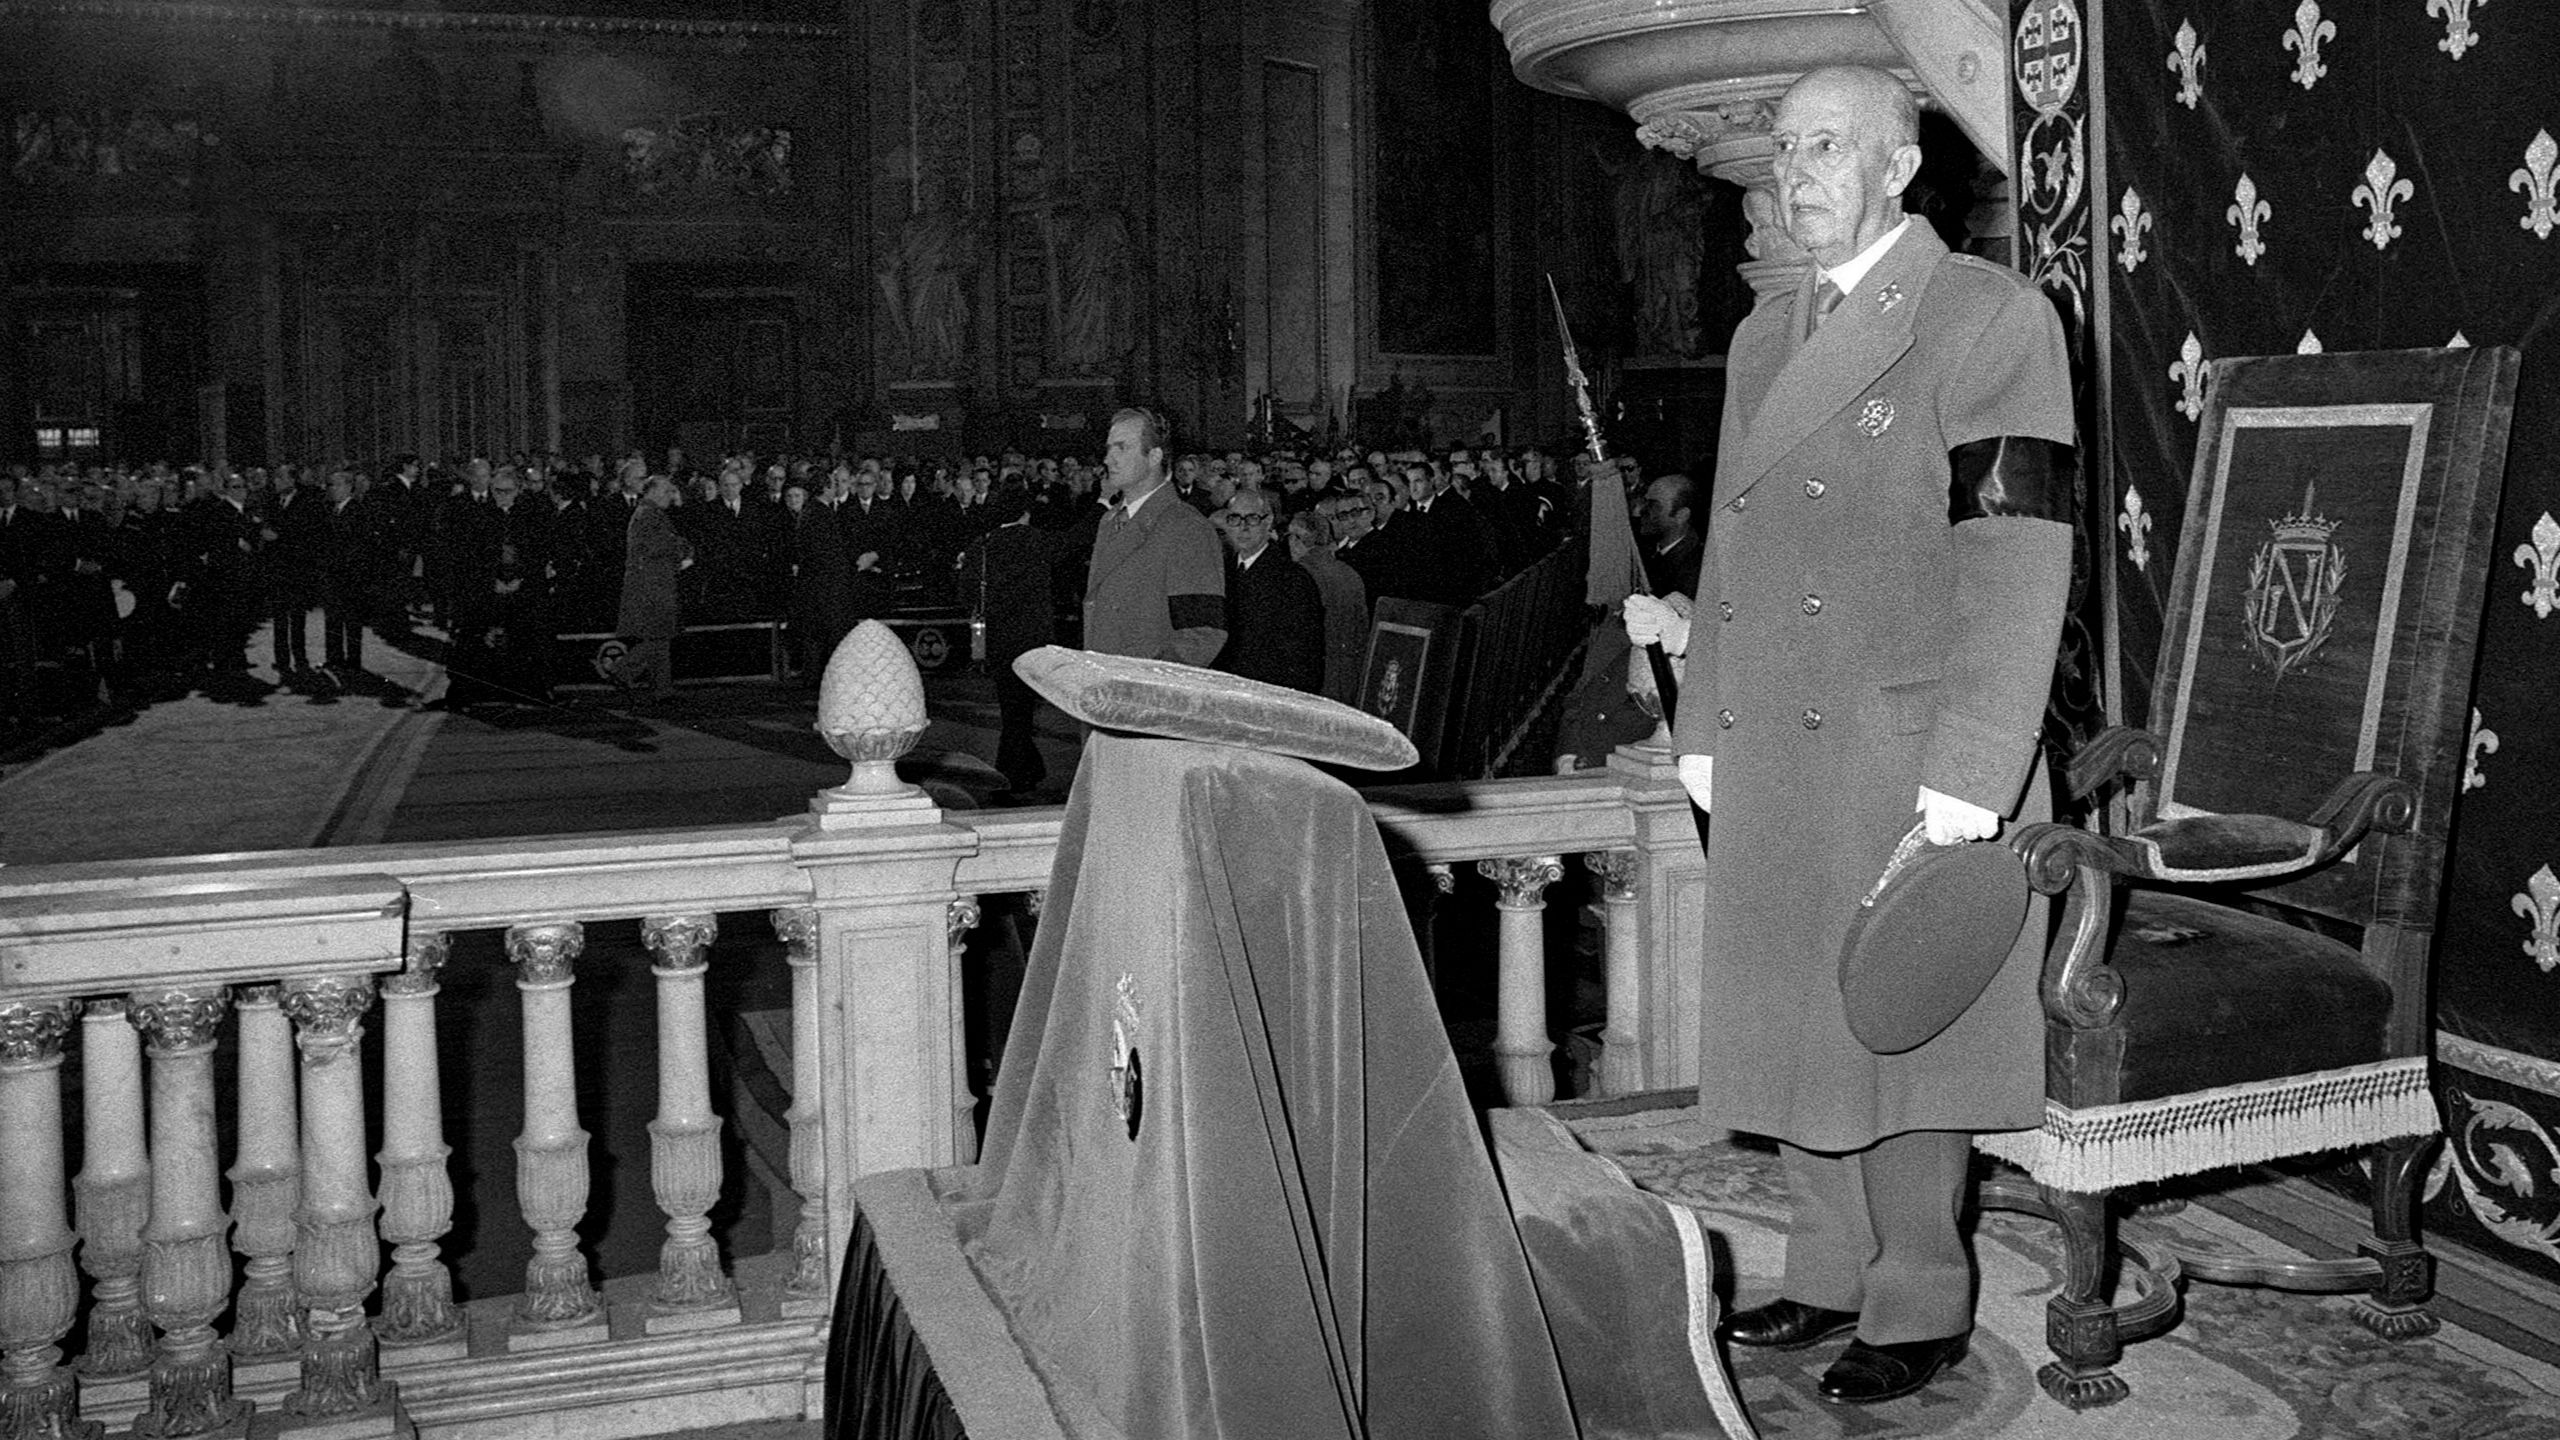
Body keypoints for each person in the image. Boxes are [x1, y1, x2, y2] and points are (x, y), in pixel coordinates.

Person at [1635, 64, 2077, 1406]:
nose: (1795, 174)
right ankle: (1825, 1272)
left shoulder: (1987, 315)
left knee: (1896, 1027)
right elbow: (1730, 545)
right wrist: (1703, 716)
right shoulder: (1764, 336)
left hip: (1907, 745)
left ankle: (1920, 1299)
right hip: (1776, 737)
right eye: (1784, 148)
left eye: (1829, 146)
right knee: (1795, 1021)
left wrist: (1975, 769)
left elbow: (2017, 551)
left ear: (1899, 166)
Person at [1082, 407, 1225, 667]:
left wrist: (1143, 682)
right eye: (1109, 448)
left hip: (1141, 683)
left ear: (1154, 456)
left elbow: (1202, 634)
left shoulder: (1186, 526)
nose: (1109, 459)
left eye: (1122, 448)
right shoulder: (1110, 520)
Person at [957, 482, 1058, 799]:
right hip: (1031, 637)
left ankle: (1026, 768)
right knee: (1021, 709)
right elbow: (1074, 541)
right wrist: (1101, 503)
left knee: (1012, 706)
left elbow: (966, 592)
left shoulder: (982, 545)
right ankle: (1011, 773)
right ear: (1025, 512)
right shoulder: (1036, 540)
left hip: (997, 637)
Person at [1212, 487, 1323, 694]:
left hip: (1266, 691)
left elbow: (1302, 656)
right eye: (1235, 518)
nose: (1243, 527)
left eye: (1252, 518)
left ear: (1268, 521)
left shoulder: (1293, 579)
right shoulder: (1221, 572)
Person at [610, 475, 693, 703]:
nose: (671, 496)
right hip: (652, 586)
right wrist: (682, 547)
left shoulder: (648, 513)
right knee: (658, 638)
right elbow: (658, 545)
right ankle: (622, 670)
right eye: (667, 491)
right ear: (653, 492)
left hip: (654, 583)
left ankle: (662, 689)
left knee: (660, 637)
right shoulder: (649, 515)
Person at [1288, 508, 1369, 707]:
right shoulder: (1350, 574)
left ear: (1297, 539)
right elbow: (1362, 630)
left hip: (1315, 679)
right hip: (1351, 676)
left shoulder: (1299, 575)